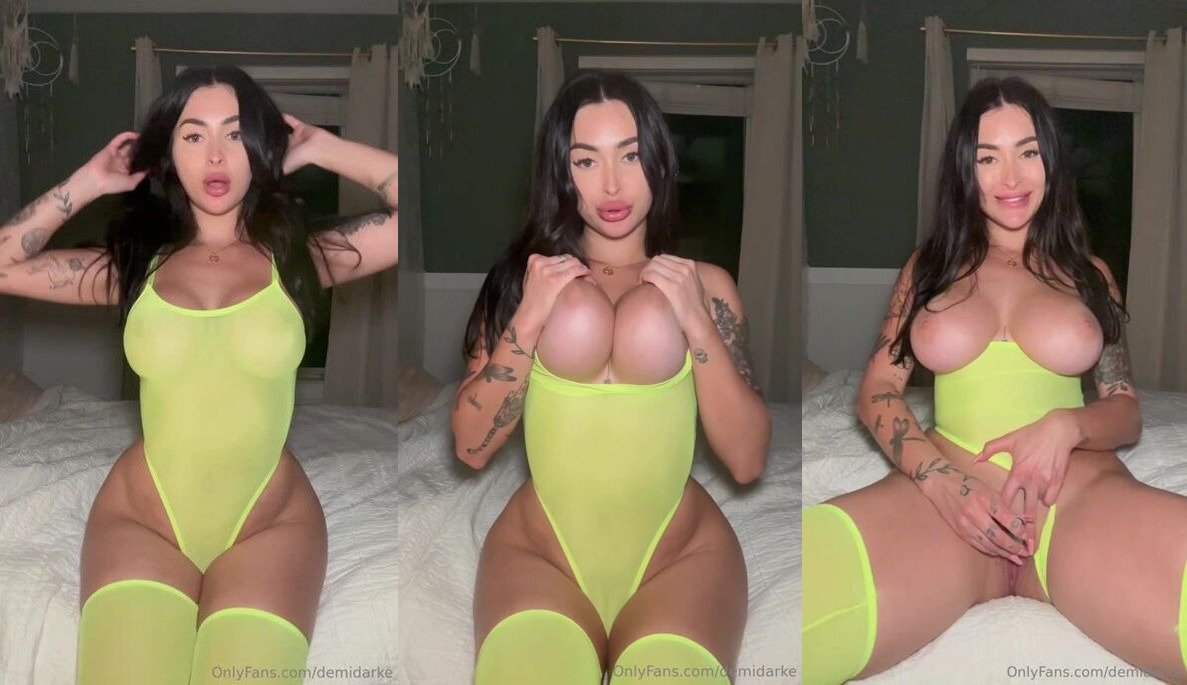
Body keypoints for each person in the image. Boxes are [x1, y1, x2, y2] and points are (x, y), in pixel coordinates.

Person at [0, 65, 397, 684]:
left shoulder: (305, 260)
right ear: (169, 154)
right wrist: (87, 182)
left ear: (259, 147)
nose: (215, 155)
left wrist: (325, 147)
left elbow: (408, 215)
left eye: (235, 134)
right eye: (193, 135)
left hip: (270, 525)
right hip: (143, 520)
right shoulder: (132, 268)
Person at [802, 76, 1187, 684]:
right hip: (947, 497)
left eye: (1027, 152)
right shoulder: (928, 268)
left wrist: (1067, 425)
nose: (1011, 177)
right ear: (966, 169)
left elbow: (1125, 409)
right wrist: (940, 481)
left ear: (1050, 161)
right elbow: (876, 392)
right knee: (811, 598)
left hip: (1076, 496)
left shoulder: (1090, 275)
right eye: (988, 157)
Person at [449, 71, 771, 684]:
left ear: (659, 161)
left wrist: (698, 324)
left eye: (630, 155)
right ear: (560, 172)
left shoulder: (707, 285)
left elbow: (747, 460)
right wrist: (532, 314)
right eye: (586, 161)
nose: (613, 184)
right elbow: (471, 446)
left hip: (681, 559)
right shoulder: (525, 281)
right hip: (541, 557)